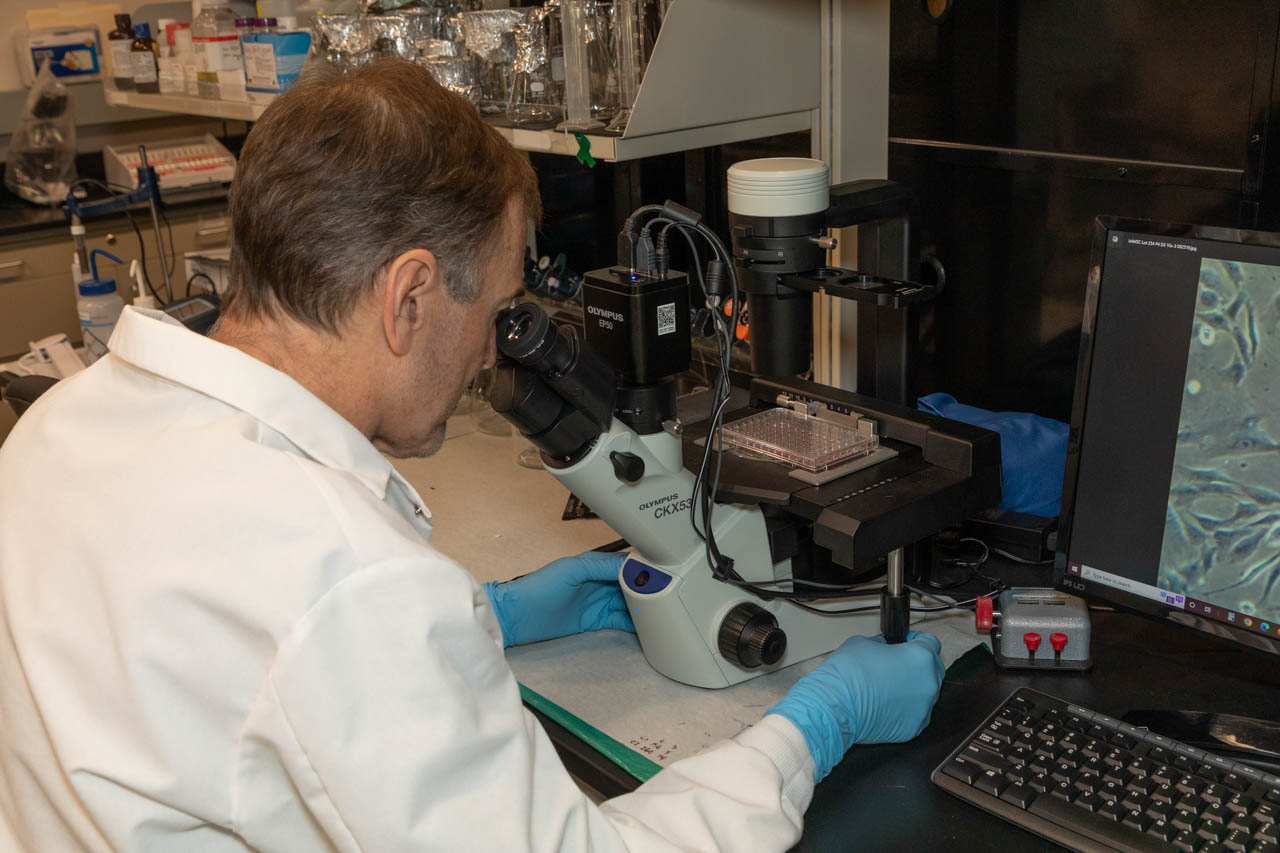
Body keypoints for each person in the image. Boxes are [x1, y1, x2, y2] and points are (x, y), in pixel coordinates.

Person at [0, 59, 945, 851]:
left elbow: (212, 670)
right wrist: (810, 731)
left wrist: (485, 620)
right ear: (408, 297)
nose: (495, 352)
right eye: (494, 312)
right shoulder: (348, 578)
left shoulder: (62, 423)